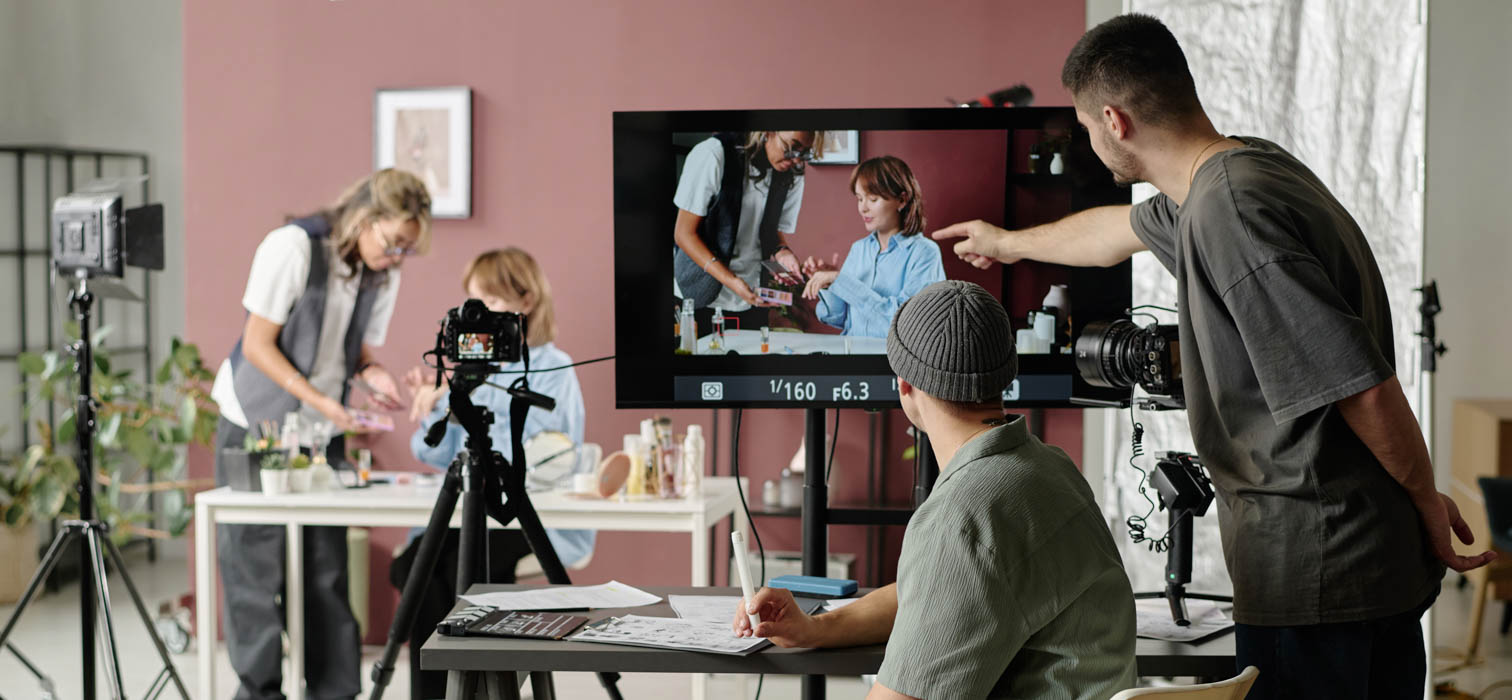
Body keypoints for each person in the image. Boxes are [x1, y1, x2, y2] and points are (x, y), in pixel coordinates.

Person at [932, 15, 1493, 698]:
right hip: (1358, 563)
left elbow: (1363, 387)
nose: (1087, 139)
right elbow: (1114, 233)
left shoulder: (1230, 209)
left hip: (1320, 571)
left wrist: (1427, 505)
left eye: (1084, 127)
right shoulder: (1235, 174)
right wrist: (1009, 242)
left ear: (1114, 119)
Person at [733, 280, 1137, 699]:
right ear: (1005, 376)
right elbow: (937, 595)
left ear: (905, 384)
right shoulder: (1050, 468)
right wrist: (815, 627)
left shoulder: (963, 516)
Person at [210, 168, 431, 700]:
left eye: (407, 249)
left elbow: (355, 351)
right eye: (394, 242)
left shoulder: (381, 272)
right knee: (255, 574)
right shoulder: (292, 248)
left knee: (326, 570)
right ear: (365, 217)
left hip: (319, 433)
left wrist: (373, 377)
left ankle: (334, 693)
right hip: (256, 424)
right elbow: (258, 343)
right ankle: (259, 693)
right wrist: (323, 404)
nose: (398, 257)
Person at [389, 247, 592, 700]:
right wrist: (441, 399)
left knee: (461, 572)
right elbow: (428, 450)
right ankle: (442, 693)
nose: (481, 314)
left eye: (493, 303)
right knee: (414, 568)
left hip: (526, 513)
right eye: (475, 302)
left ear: (526, 300)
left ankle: (475, 689)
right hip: (467, 512)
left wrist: (487, 419)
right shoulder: (466, 368)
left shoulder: (554, 368)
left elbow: (549, 458)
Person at [672, 131, 823, 332]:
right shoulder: (713, 154)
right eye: (791, 148)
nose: (795, 159)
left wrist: (783, 252)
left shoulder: (793, 172)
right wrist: (732, 281)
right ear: (768, 132)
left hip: (751, 296)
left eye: (804, 153)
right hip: (699, 293)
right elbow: (684, 234)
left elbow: (772, 231)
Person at [801, 155, 946, 338]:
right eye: (860, 199)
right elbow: (836, 318)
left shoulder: (925, 253)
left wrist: (842, 281)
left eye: (873, 199)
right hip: (851, 356)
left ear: (902, 200)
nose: (863, 208)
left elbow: (908, 324)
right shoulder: (859, 249)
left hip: (894, 362)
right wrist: (829, 285)